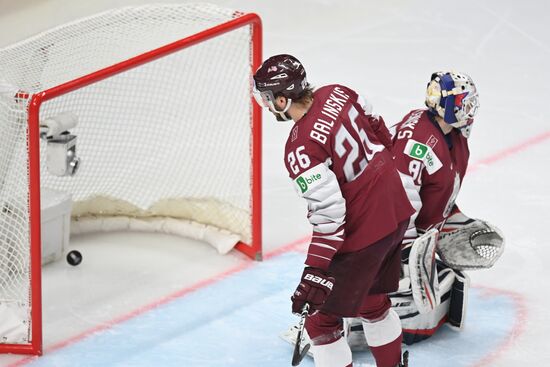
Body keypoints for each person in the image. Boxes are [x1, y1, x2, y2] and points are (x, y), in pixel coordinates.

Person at [253, 54, 414, 367]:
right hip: (397, 208)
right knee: (372, 302)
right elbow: (381, 132)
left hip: (366, 232)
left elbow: (330, 218)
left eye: (267, 98)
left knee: (320, 324)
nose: (266, 104)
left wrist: (315, 270)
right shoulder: (339, 91)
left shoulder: (300, 149)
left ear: (283, 99)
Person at [344, 71, 505, 348]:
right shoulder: (418, 145)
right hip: (381, 233)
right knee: (407, 292)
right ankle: (347, 319)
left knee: (433, 293)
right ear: (450, 107)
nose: (471, 110)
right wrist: (404, 254)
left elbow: (434, 191)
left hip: (404, 229)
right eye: (465, 103)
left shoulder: (450, 134)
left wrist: (454, 219)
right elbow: (393, 199)